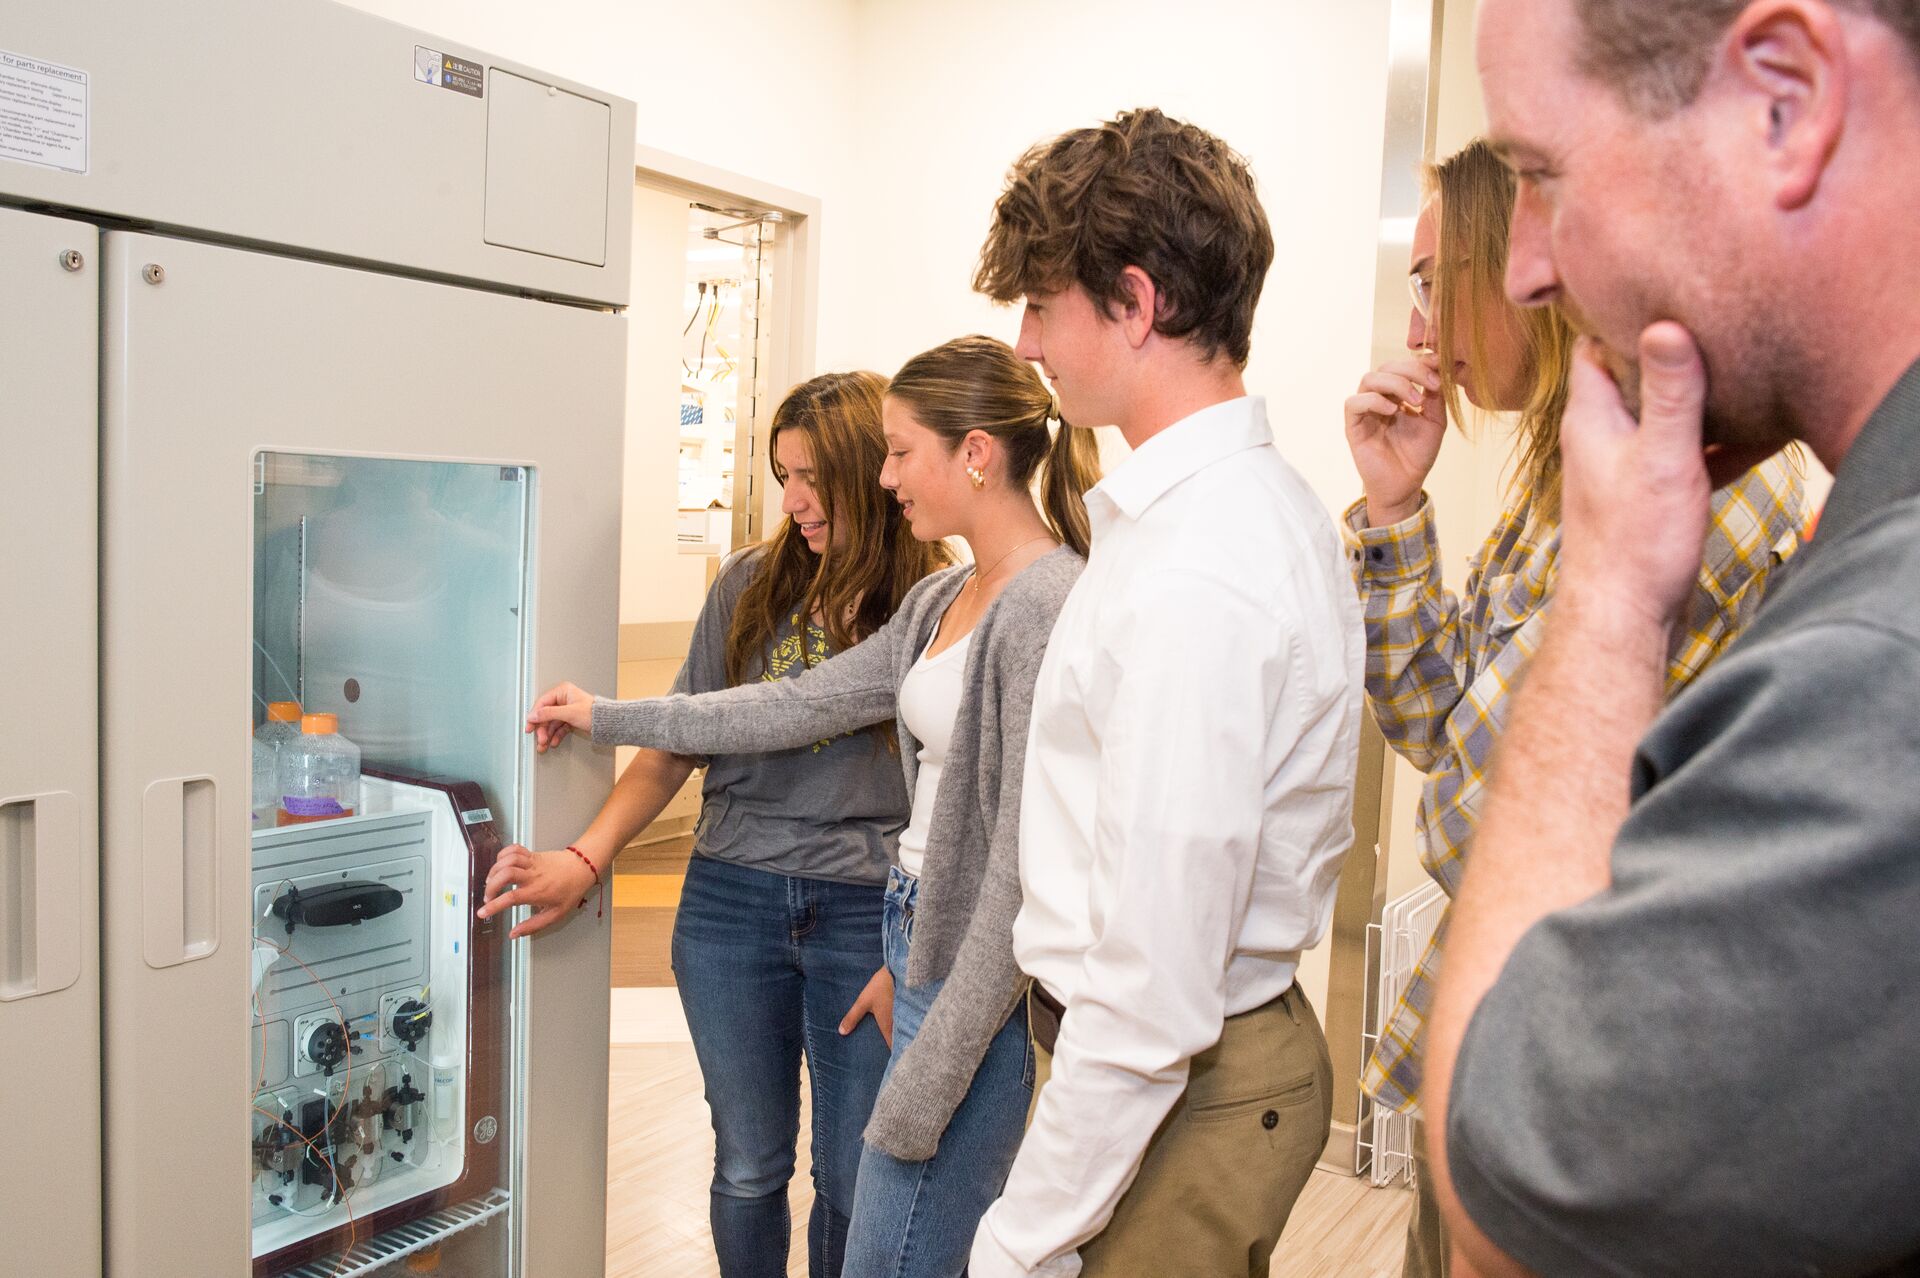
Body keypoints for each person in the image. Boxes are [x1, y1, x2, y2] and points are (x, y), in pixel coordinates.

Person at [1423, 2, 1920, 1275]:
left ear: (1785, 100)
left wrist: (1608, 600)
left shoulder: (1883, 666)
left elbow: (1507, 1213)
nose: (1526, 268)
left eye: (1540, 175)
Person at [523, 334, 1099, 1278]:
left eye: (896, 454)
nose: (879, 475)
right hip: (848, 924)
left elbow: (1012, 866)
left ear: (974, 454)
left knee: (869, 1200)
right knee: (775, 1174)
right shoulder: (939, 597)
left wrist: (915, 1010)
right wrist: (605, 722)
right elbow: (790, 704)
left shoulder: (1017, 600)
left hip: (904, 931)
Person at [1341, 140, 1803, 1278]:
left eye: (1432, 282)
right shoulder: (1558, 476)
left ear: (1527, 263)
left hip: (1585, 1082)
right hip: (1510, 1050)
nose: (1417, 329)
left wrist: (1465, 765)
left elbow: (1473, 812)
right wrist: (1395, 511)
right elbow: (1433, 726)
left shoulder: (1689, 476)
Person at [965, 107, 1365, 1278]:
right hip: (1158, 1063)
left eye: (1043, 304)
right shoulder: (1203, 515)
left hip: (1180, 1074)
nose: (1027, 342)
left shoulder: (1205, 564)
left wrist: (1017, 1242)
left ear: (1137, 305)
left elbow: (1151, 987)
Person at [479, 370, 951, 1278]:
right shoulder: (749, 584)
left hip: (865, 911)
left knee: (855, 1175)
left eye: (812, 474)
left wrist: (913, 945)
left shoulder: (932, 601)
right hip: (732, 905)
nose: (793, 500)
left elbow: (950, 798)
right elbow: (683, 738)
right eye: (781, 474)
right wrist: (588, 855)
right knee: (747, 1167)